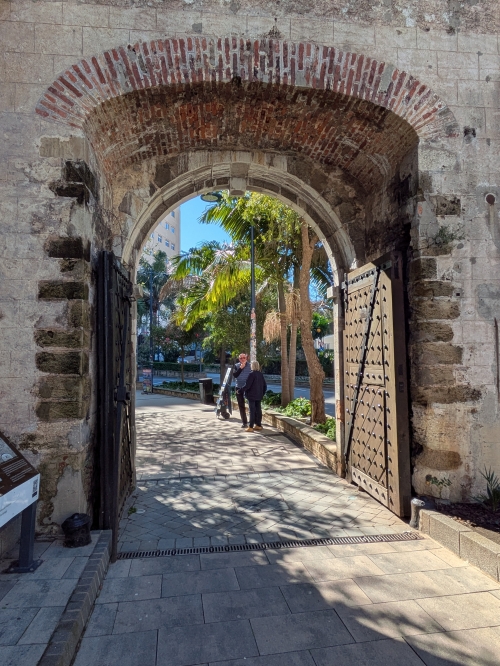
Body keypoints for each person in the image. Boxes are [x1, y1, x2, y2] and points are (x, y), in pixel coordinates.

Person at [242, 361, 267, 433]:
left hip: (251, 396)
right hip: (259, 395)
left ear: (252, 366)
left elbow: (247, 386)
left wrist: (240, 390)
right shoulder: (260, 374)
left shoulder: (251, 374)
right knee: (258, 410)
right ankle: (258, 425)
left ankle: (251, 426)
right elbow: (265, 386)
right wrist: (262, 393)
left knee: (252, 411)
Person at [232, 353, 251, 428]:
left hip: (248, 388)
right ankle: (244, 422)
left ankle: (252, 421)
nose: (242, 359)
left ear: (246, 358)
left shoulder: (250, 366)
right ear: (239, 359)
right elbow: (235, 375)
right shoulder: (236, 366)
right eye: (241, 358)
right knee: (241, 405)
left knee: (251, 405)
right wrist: (240, 368)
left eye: (244, 358)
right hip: (239, 388)